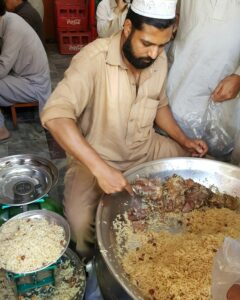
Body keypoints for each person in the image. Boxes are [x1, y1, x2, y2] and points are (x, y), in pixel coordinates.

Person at [41, 0, 208, 260]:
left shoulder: (158, 59)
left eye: (161, 45)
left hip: (146, 148)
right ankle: (91, 268)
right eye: (148, 43)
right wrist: (100, 169)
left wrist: (183, 140)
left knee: (198, 168)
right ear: (128, 28)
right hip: (97, 158)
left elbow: (160, 105)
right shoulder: (93, 58)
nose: (154, 54)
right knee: (79, 227)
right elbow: (55, 116)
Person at [167, 0, 240, 160]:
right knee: (176, 163)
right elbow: (172, 16)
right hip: (181, 86)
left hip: (226, 96)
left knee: (220, 167)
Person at [0, 1, 51, 141]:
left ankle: (1, 130)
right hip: (21, 76)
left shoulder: (13, 27)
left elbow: (3, 68)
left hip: (33, 84)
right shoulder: (8, 19)